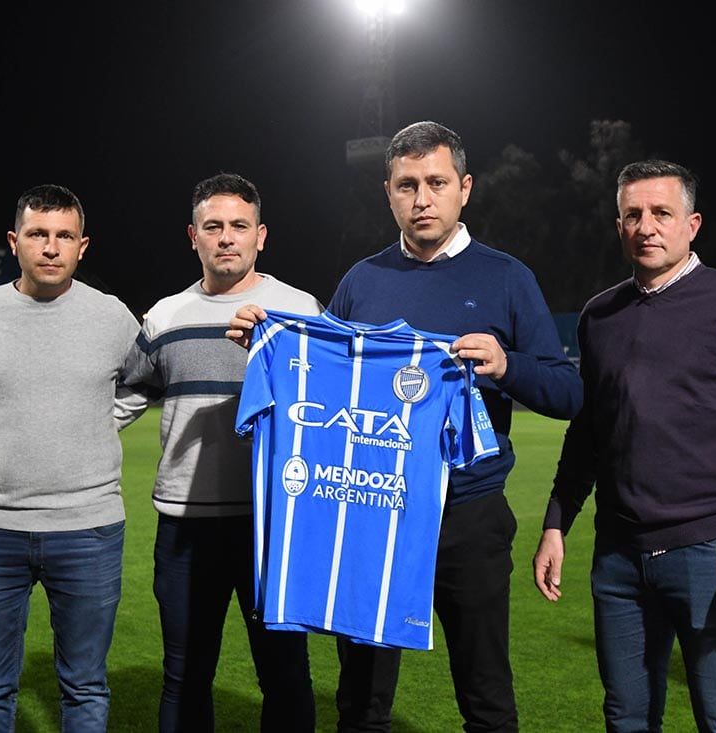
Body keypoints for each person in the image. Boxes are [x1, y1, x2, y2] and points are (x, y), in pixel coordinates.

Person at [230, 121, 583, 732]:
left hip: (468, 516)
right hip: (373, 510)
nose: (422, 198)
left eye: (436, 183)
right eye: (407, 185)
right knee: (361, 703)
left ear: (464, 189)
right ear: (388, 193)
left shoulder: (506, 277)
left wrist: (507, 365)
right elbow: (325, 378)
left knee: (487, 698)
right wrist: (266, 347)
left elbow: (568, 392)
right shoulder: (362, 281)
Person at [532, 160, 716, 732]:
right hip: (618, 558)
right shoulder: (599, 315)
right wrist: (557, 520)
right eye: (633, 215)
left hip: (713, 551)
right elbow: (588, 430)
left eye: (662, 213)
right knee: (626, 719)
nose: (647, 226)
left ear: (692, 224)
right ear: (619, 227)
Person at [0, 184, 142, 731]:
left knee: (86, 687)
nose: (51, 247)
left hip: (88, 529)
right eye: (38, 234)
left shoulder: (112, 316)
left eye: (64, 236)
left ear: (82, 246)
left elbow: (146, 382)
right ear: (14, 241)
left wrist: (100, 420)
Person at [119, 173, 321, 732]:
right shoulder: (164, 317)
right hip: (186, 529)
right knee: (185, 676)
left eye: (239, 225)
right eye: (213, 226)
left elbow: (332, 402)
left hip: (274, 525)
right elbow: (120, 399)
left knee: (285, 675)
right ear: (193, 236)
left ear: (261, 235)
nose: (226, 237)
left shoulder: (300, 309)